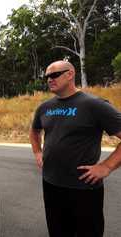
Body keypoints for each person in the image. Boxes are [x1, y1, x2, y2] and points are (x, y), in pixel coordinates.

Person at [29, 60, 121, 237]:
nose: (49, 79)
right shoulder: (45, 107)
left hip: (84, 189)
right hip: (51, 185)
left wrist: (106, 166)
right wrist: (37, 152)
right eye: (47, 76)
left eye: (54, 75)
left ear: (70, 74)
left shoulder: (94, 105)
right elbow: (34, 132)